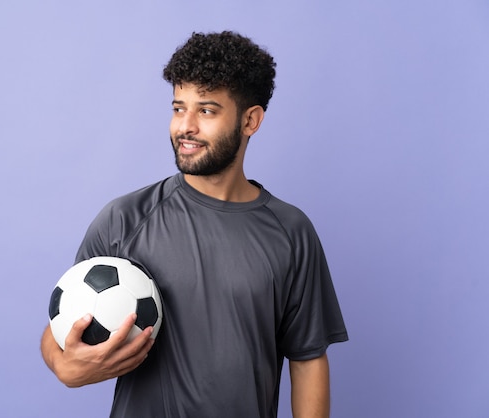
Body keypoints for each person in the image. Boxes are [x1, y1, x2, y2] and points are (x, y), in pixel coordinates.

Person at [41, 31, 348, 418]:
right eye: (177, 108)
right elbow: (60, 324)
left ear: (250, 120)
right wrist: (62, 364)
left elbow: (308, 360)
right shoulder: (125, 219)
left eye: (206, 110)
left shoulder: (291, 231)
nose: (185, 126)